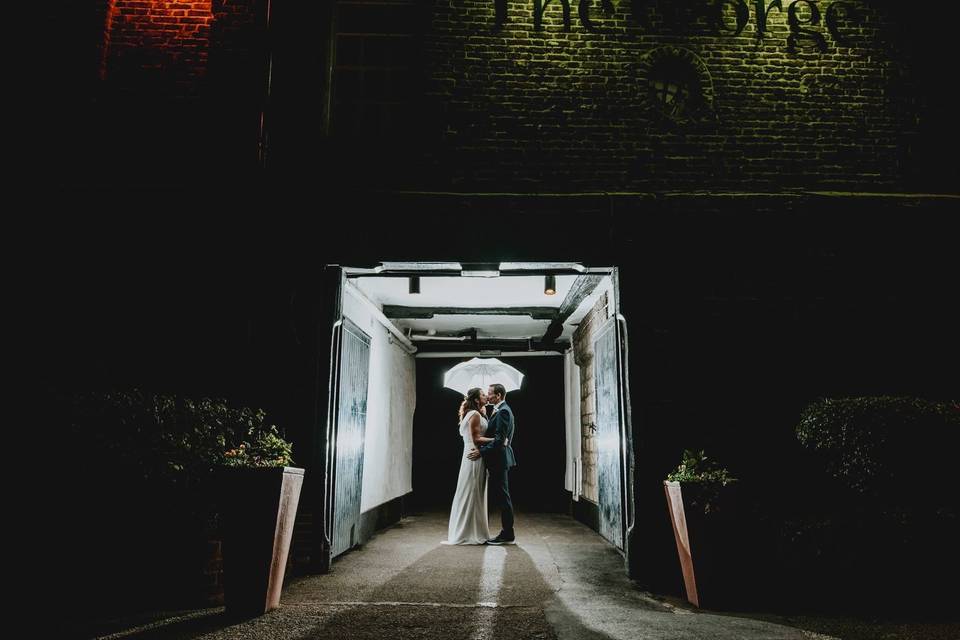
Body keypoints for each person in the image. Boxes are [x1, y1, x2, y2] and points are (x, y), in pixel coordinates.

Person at [443, 387, 494, 544]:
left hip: (475, 455)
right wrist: (497, 440)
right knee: (472, 491)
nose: (486, 396)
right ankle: (469, 533)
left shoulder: (477, 413)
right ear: (477, 399)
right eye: (483, 395)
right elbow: (477, 438)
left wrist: (484, 413)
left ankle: (474, 530)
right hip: (474, 456)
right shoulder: (474, 414)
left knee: (475, 492)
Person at [468, 383, 516, 544]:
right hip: (498, 459)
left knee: (503, 497)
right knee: (502, 495)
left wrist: (481, 451)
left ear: (499, 396)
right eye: (486, 394)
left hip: (499, 459)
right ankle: (506, 532)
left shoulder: (503, 411)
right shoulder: (499, 410)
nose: (488, 396)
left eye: (490, 394)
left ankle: (508, 533)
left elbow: (500, 441)